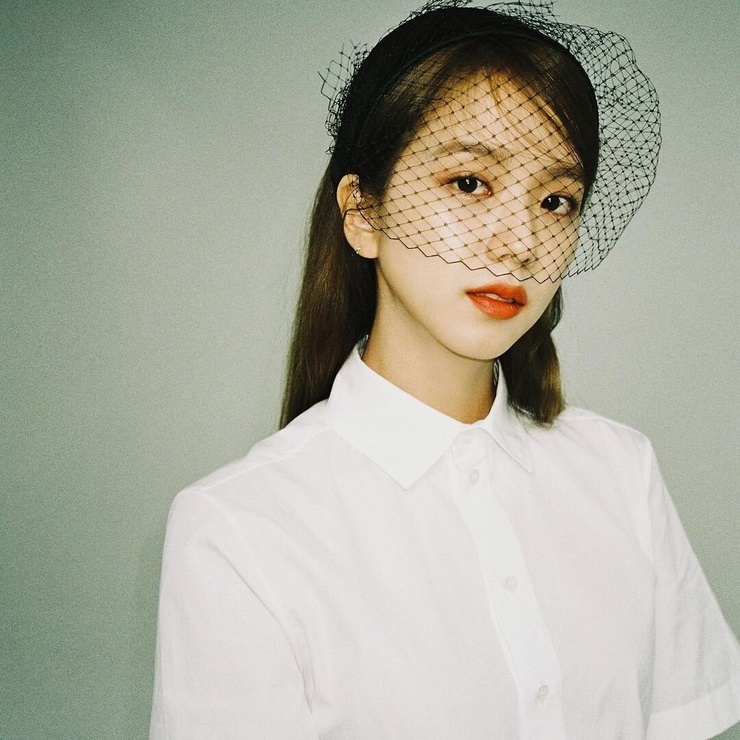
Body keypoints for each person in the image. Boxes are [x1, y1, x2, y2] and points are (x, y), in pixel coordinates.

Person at [150, 2, 740, 738]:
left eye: (556, 200)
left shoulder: (620, 472)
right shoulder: (240, 529)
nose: (520, 242)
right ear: (363, 213)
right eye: (469, 183)